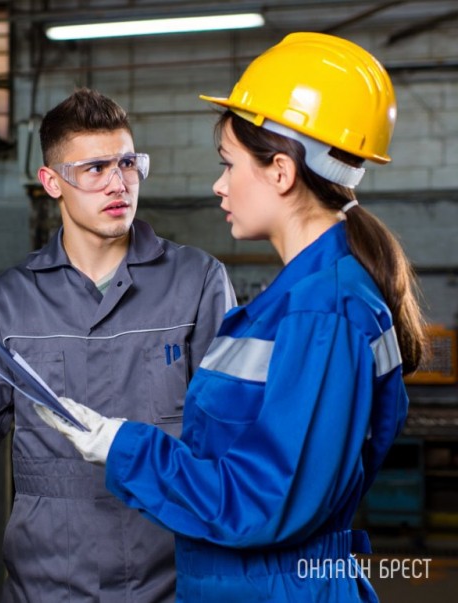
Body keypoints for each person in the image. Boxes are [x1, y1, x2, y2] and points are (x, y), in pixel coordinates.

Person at [36, 33, 427, 602]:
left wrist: (123, 447)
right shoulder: (304, 300)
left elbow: (264, 502)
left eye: (228, 164)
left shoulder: (323, 311)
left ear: (280, 171)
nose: (219, 185)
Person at [0, 87, 236, 601]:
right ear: (51, 182)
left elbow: (230, 432)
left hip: (171, 579)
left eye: (128, 163)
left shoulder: (196, 282)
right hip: (46, 583)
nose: (119, 183)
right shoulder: (9, 300)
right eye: (95, 168)